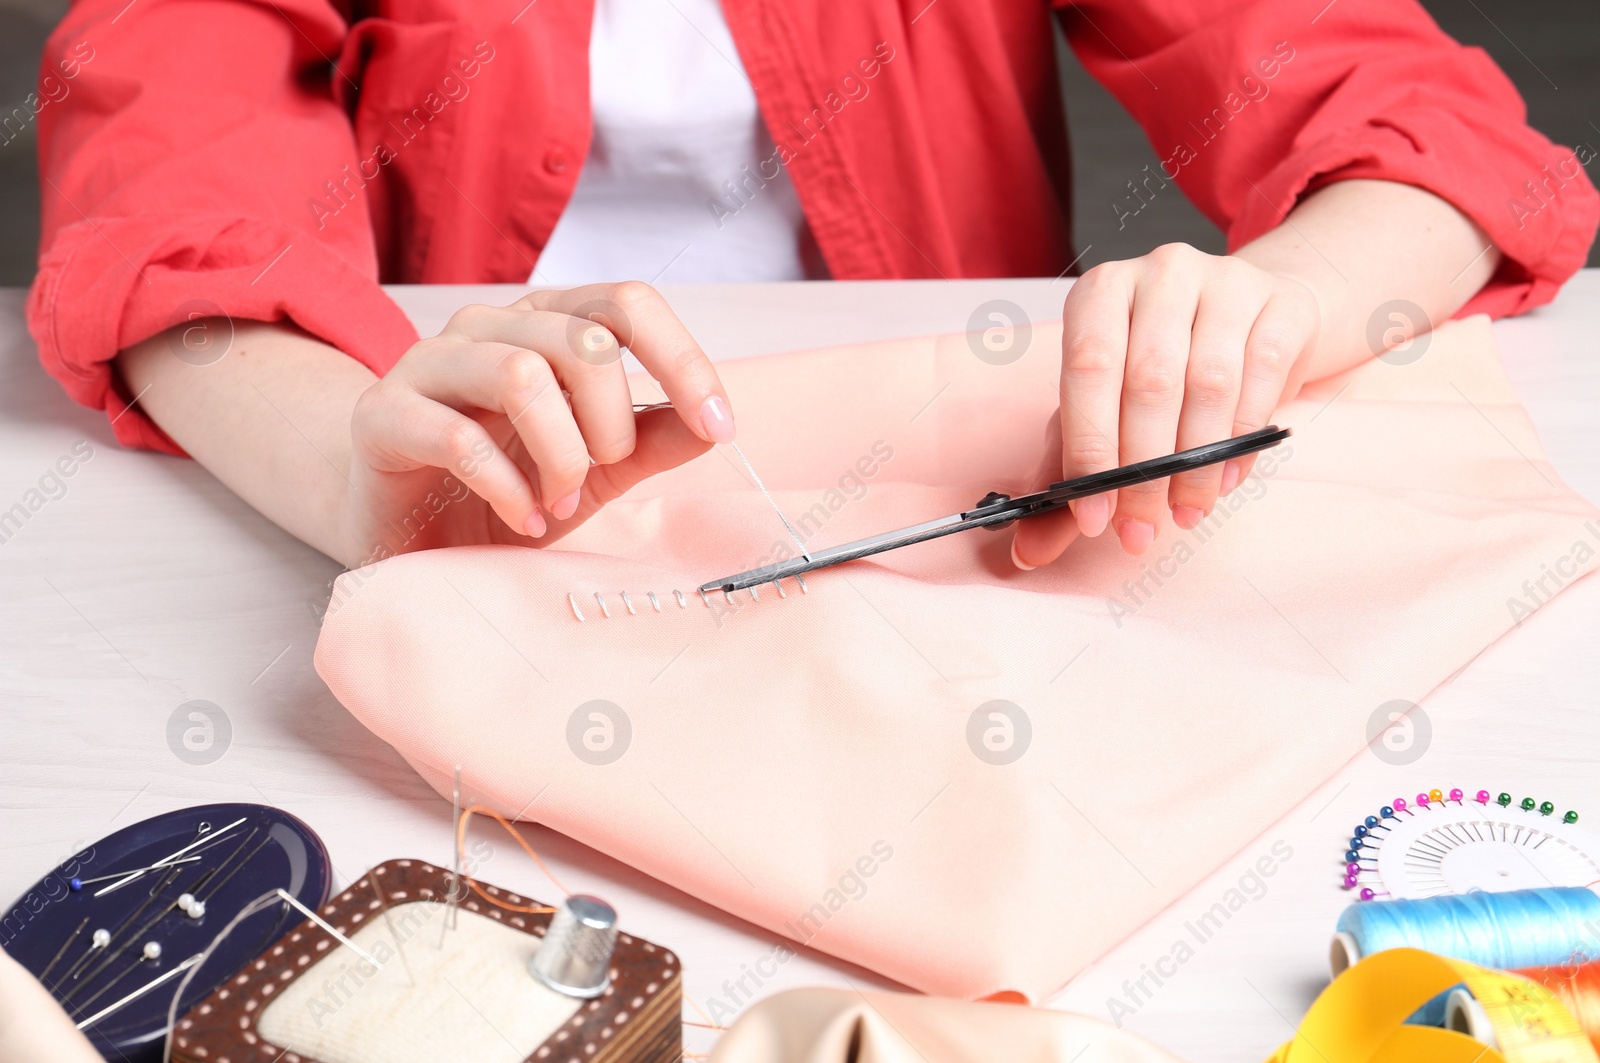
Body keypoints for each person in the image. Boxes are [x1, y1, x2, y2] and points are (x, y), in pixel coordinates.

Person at [29, 0, 1597, 572]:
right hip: (488, 480)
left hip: (932, 484)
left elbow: (1442, 142)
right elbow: (170, 183)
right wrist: (361, 467)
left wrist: (1276, 309)